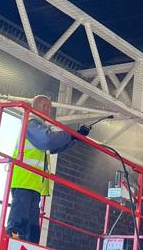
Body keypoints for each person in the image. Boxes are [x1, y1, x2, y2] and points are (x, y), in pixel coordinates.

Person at [7, 94, 89, 242]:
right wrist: (71, 134)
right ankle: (11, 239)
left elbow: (53, 146)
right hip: (25, 179)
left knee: (31, 222)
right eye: (49, 107)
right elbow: (48, 141)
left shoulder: (38, 127)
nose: (50, 111)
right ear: (43, 106)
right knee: (19, 218)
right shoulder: (31, 124)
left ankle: (30, 245)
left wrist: (75, 138)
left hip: (33, 182)